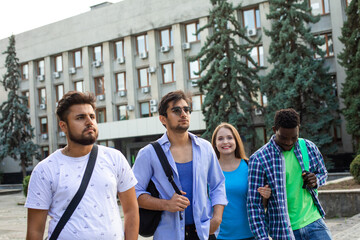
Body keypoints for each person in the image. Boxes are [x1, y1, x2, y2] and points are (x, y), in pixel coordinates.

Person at [25, 91, 139, 240]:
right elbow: (35, 231)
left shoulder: (114, 158)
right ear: (63, 126)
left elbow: (131, 210)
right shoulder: (45, 169)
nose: (89, 122)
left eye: (92, 116)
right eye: (80, 118)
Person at [132, 90, 228, 240]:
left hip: (203, 233)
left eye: (186, 109)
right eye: (176, 110)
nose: (183, 114)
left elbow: (218, 185)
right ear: (163, 119)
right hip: (169, 234)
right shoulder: (148, 153)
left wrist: (217, 219)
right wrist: (166, 204)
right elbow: (134, 193)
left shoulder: (205, 147)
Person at [247, 108, 332, 240]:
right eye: (283, 137)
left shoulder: (308, 147)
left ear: (298, 129)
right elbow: (254, 205)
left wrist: (316, 180)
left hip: (314, 223)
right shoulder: (259, 159)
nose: (289, 142)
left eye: (294, 137)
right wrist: (262, 237)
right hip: (283, 231)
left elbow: (322, 173)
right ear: (275, 130)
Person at [211, 123, 271, 240]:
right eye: (220, 139)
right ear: (215, 144)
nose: (225, 142)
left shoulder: (250, 166)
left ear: (236, 141)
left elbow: (261, 203)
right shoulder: (209, 170)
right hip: (220, 237)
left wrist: (266, 195)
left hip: (252, 235)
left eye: (229, 137)